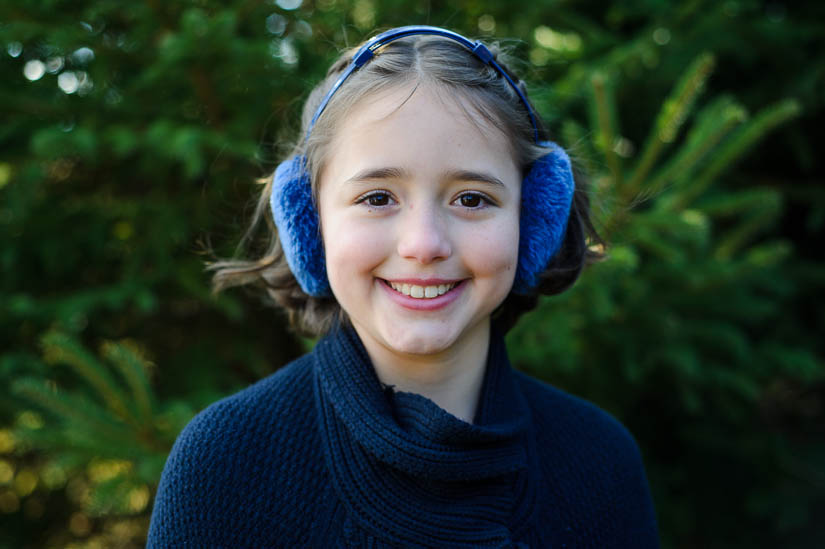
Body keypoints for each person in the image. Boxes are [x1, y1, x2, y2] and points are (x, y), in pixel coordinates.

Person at [147, 25, 659, 548]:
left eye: (472, 199)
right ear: (308, 221)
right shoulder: (225, 462)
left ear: (534, 222)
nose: (424, 244)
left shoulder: (601, 462)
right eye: (376, 198)